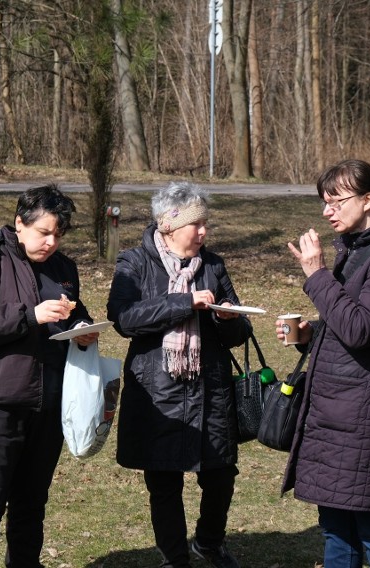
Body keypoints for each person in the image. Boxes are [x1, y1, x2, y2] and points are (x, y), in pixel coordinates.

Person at [275, 159, 370, 568]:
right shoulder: (357, 250)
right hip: (335, 408)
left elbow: (362, 329)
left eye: (336, 201)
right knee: (336, 526)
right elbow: (347, 320)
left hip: (368, 412)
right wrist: (312, 333)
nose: (327, 211)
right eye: (323, 202)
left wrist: (316, 274)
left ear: (368, 199)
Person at [0, 184, 100, 568]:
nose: (50, 242)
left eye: (57, 235)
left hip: (46, 406)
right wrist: (30, 315)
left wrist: (83, 329)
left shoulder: (64, 269)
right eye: (43, 232)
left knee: (30, 509)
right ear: (20, 222)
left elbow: (73, 313)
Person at [107, 182, 252, 568]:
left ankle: (209, 542)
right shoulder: (134, 262)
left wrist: (227, 318)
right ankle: (174, 557)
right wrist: (183, 302)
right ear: (169, 227)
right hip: (158, 392)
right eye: (196, 225)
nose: (203, 232)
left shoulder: (214, 265)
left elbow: (239, 334)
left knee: (221, 475)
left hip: (211, 391)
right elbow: (123, 318)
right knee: (164, 483)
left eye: (206, 224)